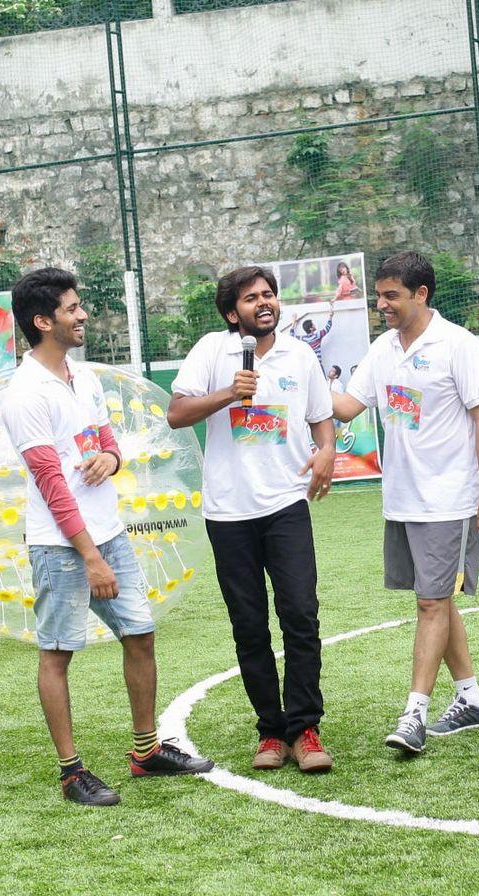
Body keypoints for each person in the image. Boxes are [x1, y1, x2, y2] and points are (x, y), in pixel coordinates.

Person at [1, 267, 213, 807]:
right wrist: (91, 557)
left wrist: (110, 455)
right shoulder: (25, 394)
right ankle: (72, 773)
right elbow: (50, 482)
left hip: (109, 534)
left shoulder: (83, 377)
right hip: (62, 545)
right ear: (42, 321)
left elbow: (103, 438)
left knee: (140, 634)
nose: (83, 315)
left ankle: (146, 752)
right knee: (57, 652)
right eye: (72, 308)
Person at [331, 251, 479, 754]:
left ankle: (414, 714)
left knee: (431, 601)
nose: (381, 305)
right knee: (435, 598)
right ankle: (472, 699)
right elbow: (347, 406)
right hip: (403, 500)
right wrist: (299, 392)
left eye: (391, 295)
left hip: (450, 500)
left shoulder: (458, 344)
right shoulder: (383, 348)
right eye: (378, 295)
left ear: (421, 294)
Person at [167, 266, 337, 773]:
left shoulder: (300, 355)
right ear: (230, 312)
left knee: (301, 616)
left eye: (268, 295)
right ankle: (270, 730)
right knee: (249, 625)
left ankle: (305, 728)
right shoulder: (210, 352)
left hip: (286, 505)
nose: (263, 303)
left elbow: (321, 422)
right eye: (250, 298)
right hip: (228, 511)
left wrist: (326, 451)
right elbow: (177, 414)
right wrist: (228, 392)